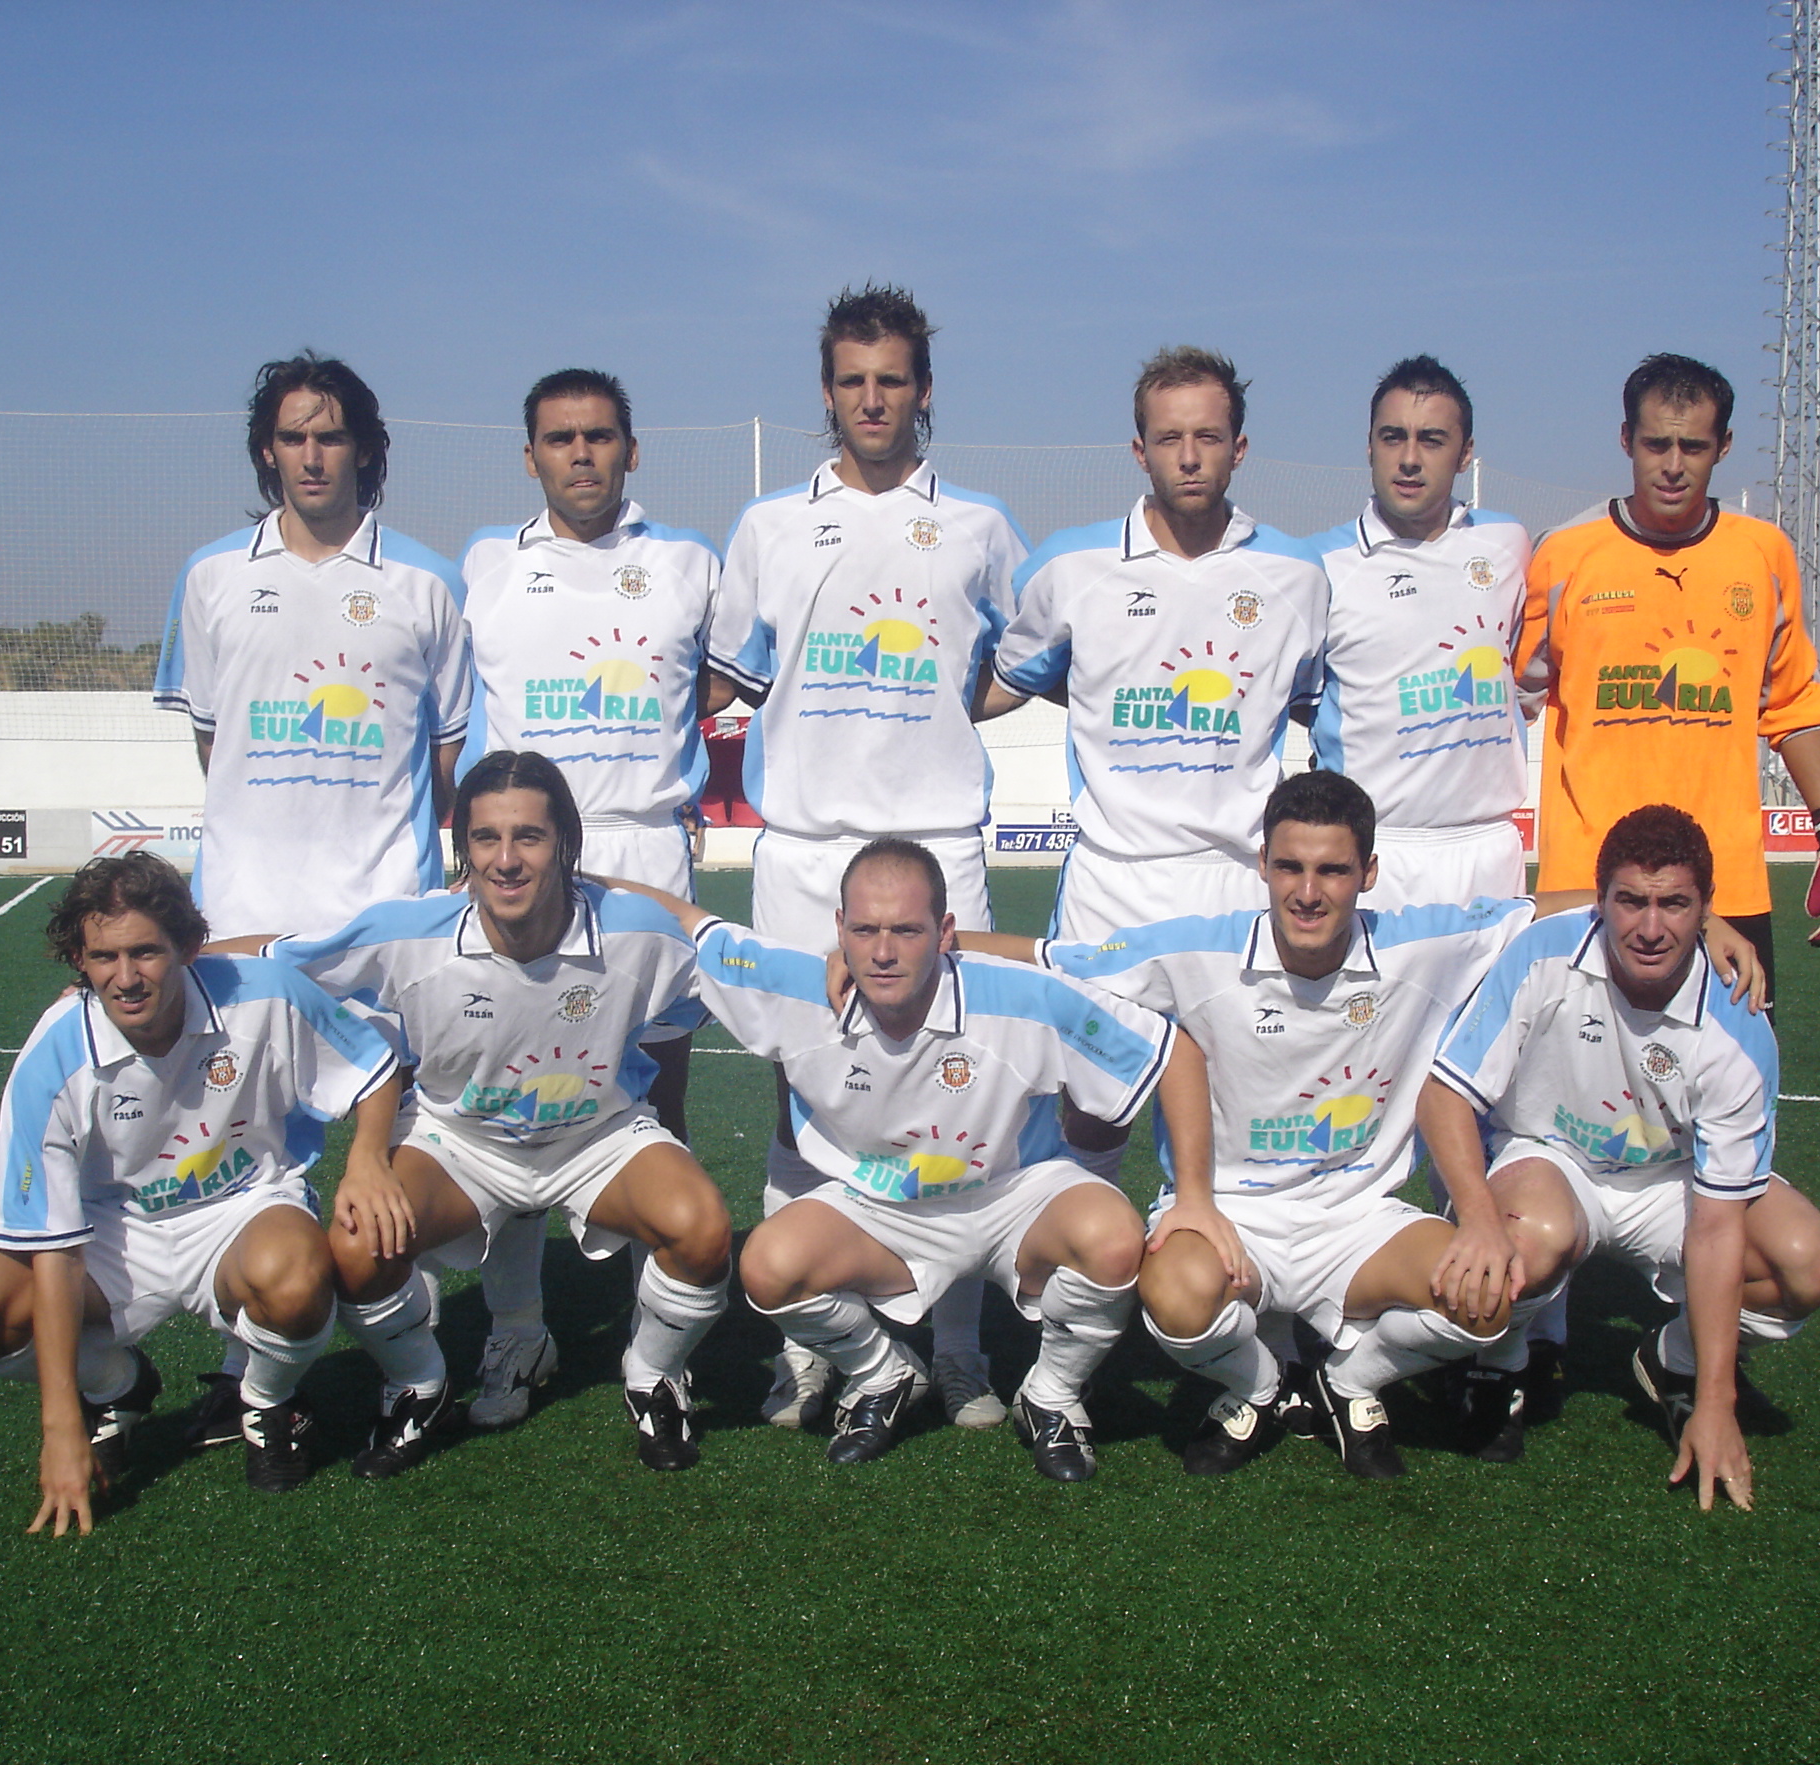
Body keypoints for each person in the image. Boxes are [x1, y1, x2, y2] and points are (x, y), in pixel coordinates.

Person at [984, 770, 1532, 1478]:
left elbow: (1558, 914)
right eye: (1290, 867)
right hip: (1231, 1219)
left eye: (1333, 870)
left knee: (1484, 1305)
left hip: (1360, 1218)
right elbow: (1049, 960)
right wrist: (916, 945)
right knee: (1175, 1296)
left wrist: (1671, 909)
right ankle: (1260, 1387)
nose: (1308, 892)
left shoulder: (1424, 945)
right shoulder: (1196, 951)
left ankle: (1349, 1383)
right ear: (1262, 865)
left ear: (1368, 872)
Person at [707, 284, 1030, 1434]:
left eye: (892, 379)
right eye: (853, 380)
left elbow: (1025, 660)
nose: (873, 399)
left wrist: (944, 714)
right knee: (798, 1091)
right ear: (828, 391)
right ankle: (813, 1349)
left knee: (958, 1090)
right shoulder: (768, 528)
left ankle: (959, 1350)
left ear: (923, 390)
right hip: (804, 851)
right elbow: (731, 676)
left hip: (939, 847)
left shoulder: (980, 527)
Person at [613, 840, 1179, 1481]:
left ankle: (1052, 1394)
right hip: (882, 1212)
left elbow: (1168, 1051)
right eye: (865, 930)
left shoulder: (1021, 995)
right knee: (769, 1265)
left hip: (1013, 1201)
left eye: (906, 931)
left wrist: (1196, 1200)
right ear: (839, 929)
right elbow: (690, 923)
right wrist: (568, 870)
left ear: (945, 932)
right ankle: (884, 1375)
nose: (883, 952)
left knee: (1113, 1236)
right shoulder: (798, 988)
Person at [244, 750, 736, 1473]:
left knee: (703, 1229)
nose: (506, 860)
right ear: (464, 850)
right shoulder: (411, 932)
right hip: (460, 1140)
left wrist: (844, 972)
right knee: (356, 1248)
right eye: (486, 838)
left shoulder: (636, 929)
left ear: (565, 845)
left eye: (528, 837)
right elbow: (276, 961)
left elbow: (740, 970)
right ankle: (419, 1384)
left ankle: (654, 1376)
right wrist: (165, 966)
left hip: (596, 1136)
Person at [0, 855, 406, 1533]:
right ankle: (116, 1387)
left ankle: (266, 1400)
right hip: (112, 1233)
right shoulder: (53, 1057)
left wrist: (366, 1158)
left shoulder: (264, 992)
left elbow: (374, 1067)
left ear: (187, 945)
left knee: (296, 1278)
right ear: (78, 959)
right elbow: (53, 1250)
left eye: (146, 952)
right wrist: (61, 1425)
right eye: (104, 957)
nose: (126, 978)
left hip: (243, 1208)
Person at [1418, 804, 1820, 1510]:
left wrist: (1716, 1400)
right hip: (1547, 1160)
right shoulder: (1543, 953)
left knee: (1809, 1264)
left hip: (1670, 1181)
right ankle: (1498, 1362)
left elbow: (1716, 1226)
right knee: (1525, 1242)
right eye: (1631, 902)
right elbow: (1443, 1097)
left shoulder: (1739, 1027)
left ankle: (1673, 1360)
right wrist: (1480, 1221)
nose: (1650, 928)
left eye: (1674, 904)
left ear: (1707, 909)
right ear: (1600, 899)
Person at [976, 344, 1330, 1188]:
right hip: (1113, 882)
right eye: (1170, 438)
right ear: (1139, 451)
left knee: (1236, 1104)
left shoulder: (1297, 574)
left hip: (1234, 880)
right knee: (1090, 1105)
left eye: (1208, 437)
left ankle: (1214, 1251)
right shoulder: (1070, 567)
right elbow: (1000, 686)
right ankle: (1084, 1253)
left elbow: (1312, 702)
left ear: (1239, 448)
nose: (1190, 456)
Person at [457, 369, 730, 1431]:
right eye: (560, 438)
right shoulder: (484, 566)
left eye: (600, 436)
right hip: (523, 859)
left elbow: (718, 682)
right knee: (511, 1103)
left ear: (631, 449)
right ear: (529, 455)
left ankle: (658, 1346)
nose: (581, 454)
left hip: (646, 852)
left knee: (660, 1099)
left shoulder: (687, 562)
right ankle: (518, 1329)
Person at [1519, 353, 1820, 1009]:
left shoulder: (1763, 555)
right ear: (1626, 439)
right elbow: (1508, 702)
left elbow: (1791, 705)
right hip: (1588, 888)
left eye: (1693, 447)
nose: (1673, 465)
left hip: (1725, 889)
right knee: (1576, 1075)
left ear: (1723, 446)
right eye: (1656, 444)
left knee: (1733, 1075)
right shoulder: (1563, 555)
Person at [153, 351, 472, 939]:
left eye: (330, 438)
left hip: (389, 915)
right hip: (239, 913)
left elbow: (445, 755)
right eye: (292, 438)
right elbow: (212, 742)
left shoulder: (432, 582)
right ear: (267, 451)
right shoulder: (209, 575)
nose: (312, 458)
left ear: (365, 449)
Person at [1303, 355, 1534, 910]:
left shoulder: (1508, 543)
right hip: (1376, 850)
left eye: (1432, 439)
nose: (1409, 459)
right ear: (1369, 446)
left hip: (1489, 847)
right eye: (1393, 437)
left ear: (1466, 452)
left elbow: (1524, 674)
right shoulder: (1318, 566)